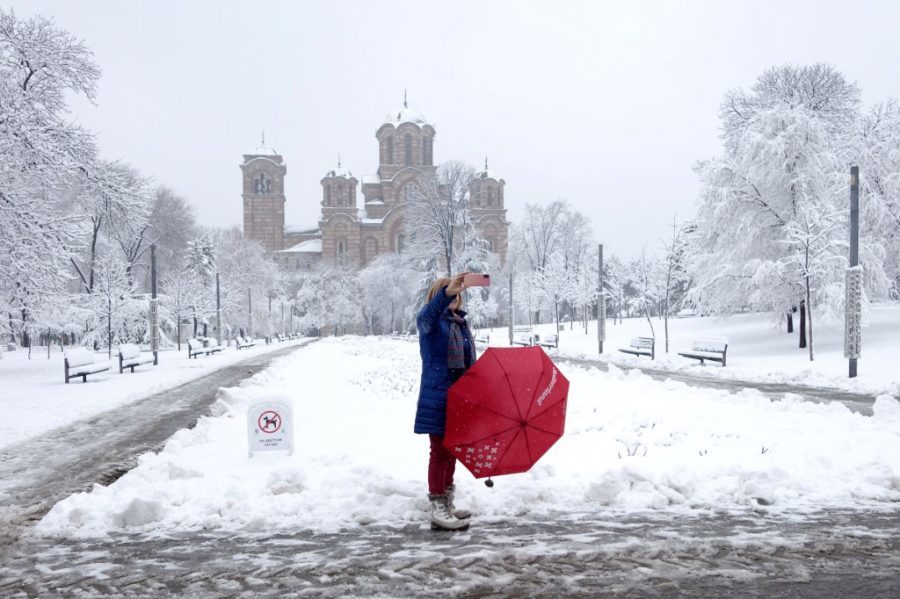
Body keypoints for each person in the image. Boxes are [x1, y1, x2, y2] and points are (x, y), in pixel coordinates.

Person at [414, 273, 477, 531]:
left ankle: (447, 502)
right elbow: (426, 315)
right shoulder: (430, 324)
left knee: (452, 451)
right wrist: (446, 292)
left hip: (460, 397)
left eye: (457, 292)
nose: (454, 295)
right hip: (438, 396)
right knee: (439, 450)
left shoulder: (460, 324)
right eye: (448, 291)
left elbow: (468, 363)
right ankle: (437, 504)